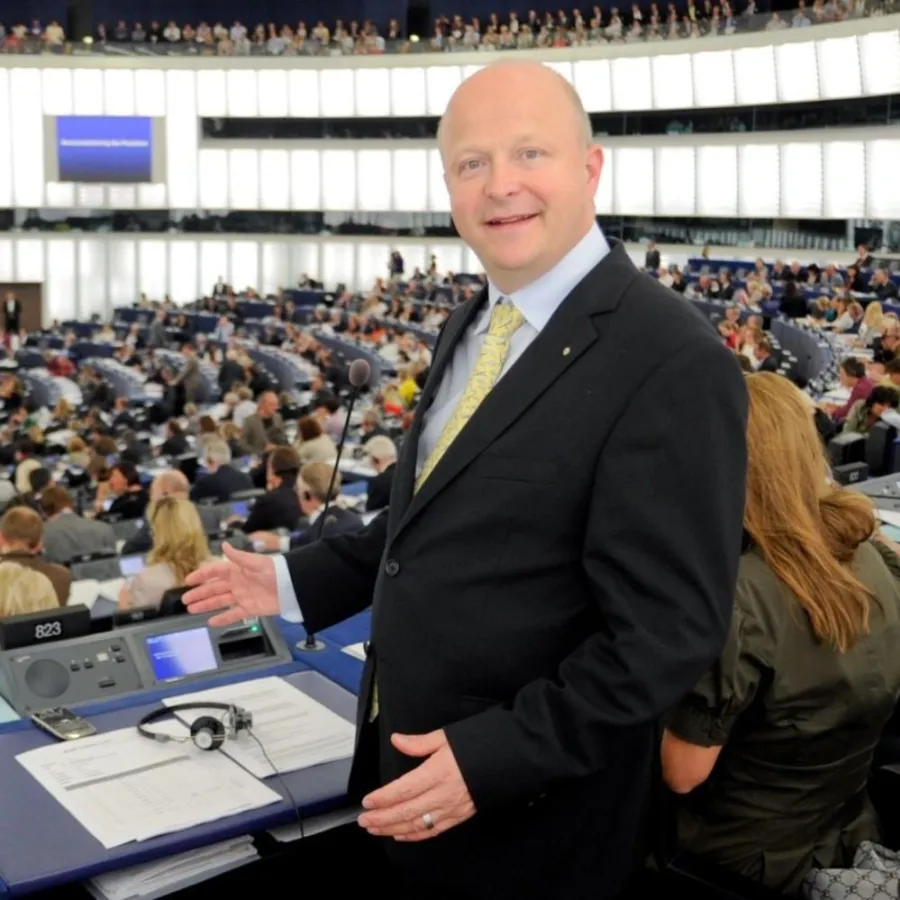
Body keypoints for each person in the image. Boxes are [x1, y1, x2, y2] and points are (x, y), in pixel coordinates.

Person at [184, 60, 747, 900]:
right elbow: (436, 520)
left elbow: (666, 635)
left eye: (530, 153)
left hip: (536, 830)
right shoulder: (471, 324)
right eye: (471, 163)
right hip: (410, 791)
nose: (500, 185)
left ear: (590, 168)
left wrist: (491, 761)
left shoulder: (671, 361)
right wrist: (294, 581)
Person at [662, 373, 900, 893]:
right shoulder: (872, 555)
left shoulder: (741, 600)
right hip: (849, 831)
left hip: (742, 860)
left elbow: (682, 773)